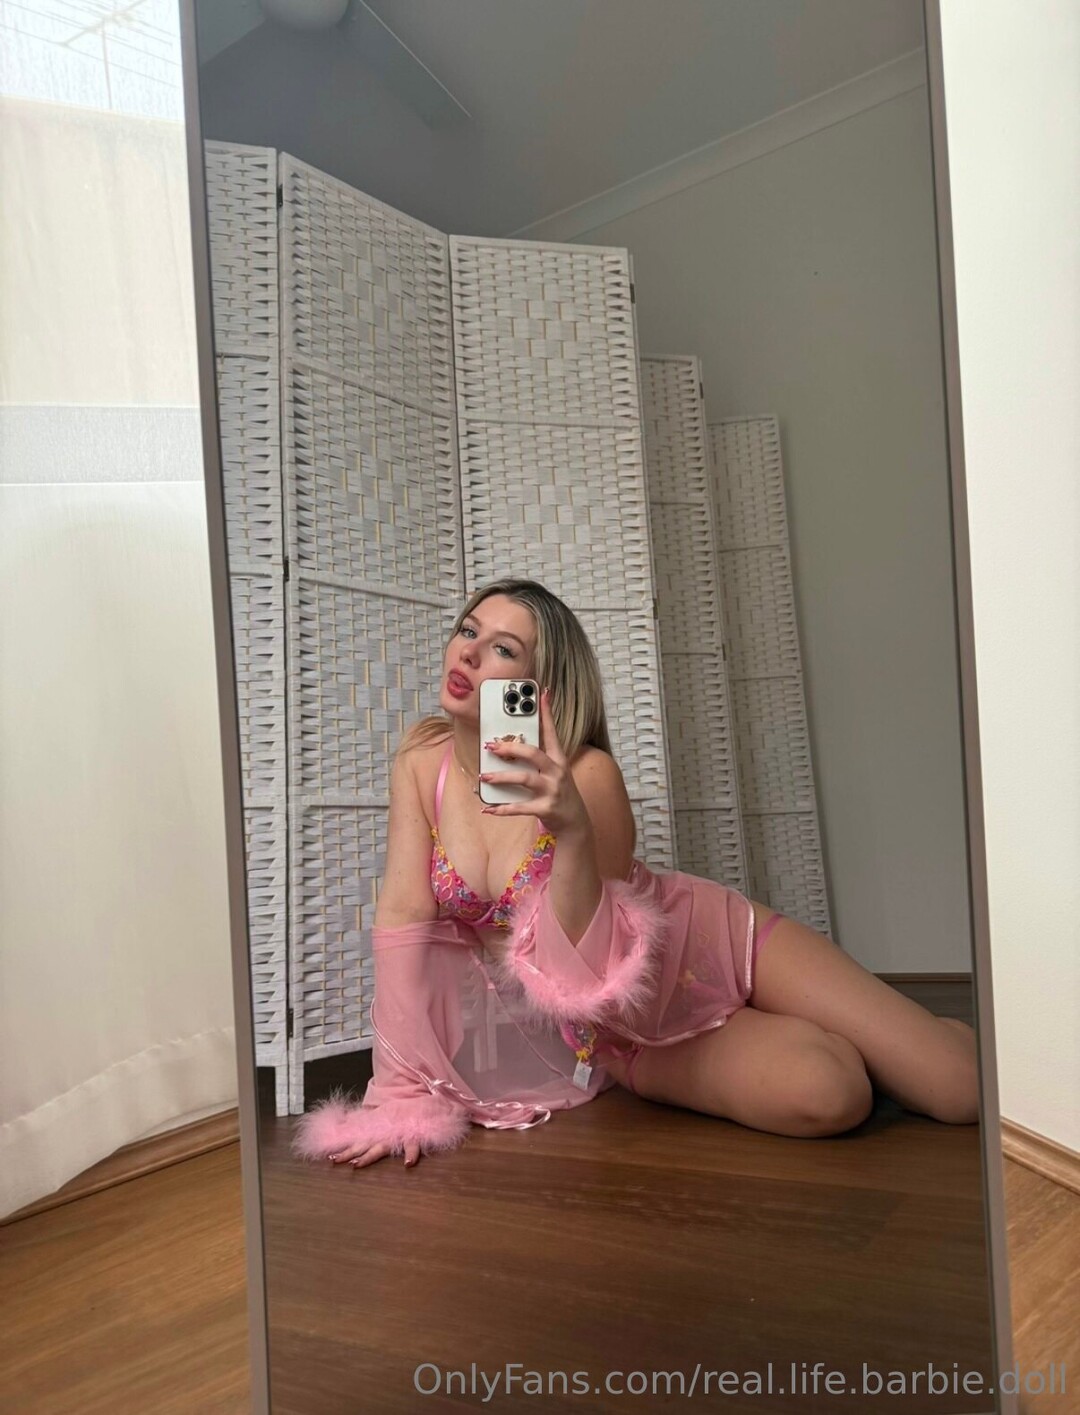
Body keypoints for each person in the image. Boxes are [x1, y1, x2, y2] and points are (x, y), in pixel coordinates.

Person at [294, 579, 979, 1170]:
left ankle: (918, 1039)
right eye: (468, 630)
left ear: (541, 690)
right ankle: (846, 1043)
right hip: (621, 1035)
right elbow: (405, 921)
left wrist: (570, 827)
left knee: (958, 1087)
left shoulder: (588, 776)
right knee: (830, 1092)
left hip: (707, 940)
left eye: (503, 648)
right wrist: (400, 1098)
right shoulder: (422, 766)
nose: (468, 652)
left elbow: (589, 962)